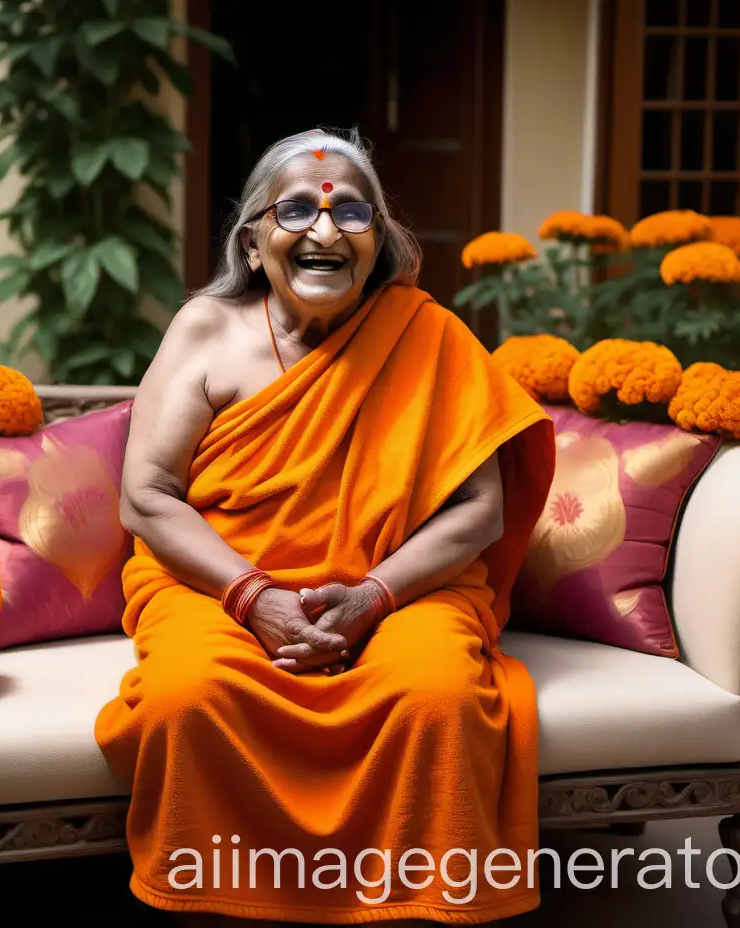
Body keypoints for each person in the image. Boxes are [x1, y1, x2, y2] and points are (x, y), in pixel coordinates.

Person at [94, 127, 556, 925]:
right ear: (254, 238)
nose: (321, 231)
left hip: (401, 590)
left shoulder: (429, 335)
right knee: (187, 696)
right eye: (296, 210)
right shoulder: (205, 331)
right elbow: (148, 495)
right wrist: (253, 595)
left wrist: (374, 595)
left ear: (379, 241)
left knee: (440, 695)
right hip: (217, 589)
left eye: (350, 214)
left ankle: (414, 908)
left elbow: (480, 510)